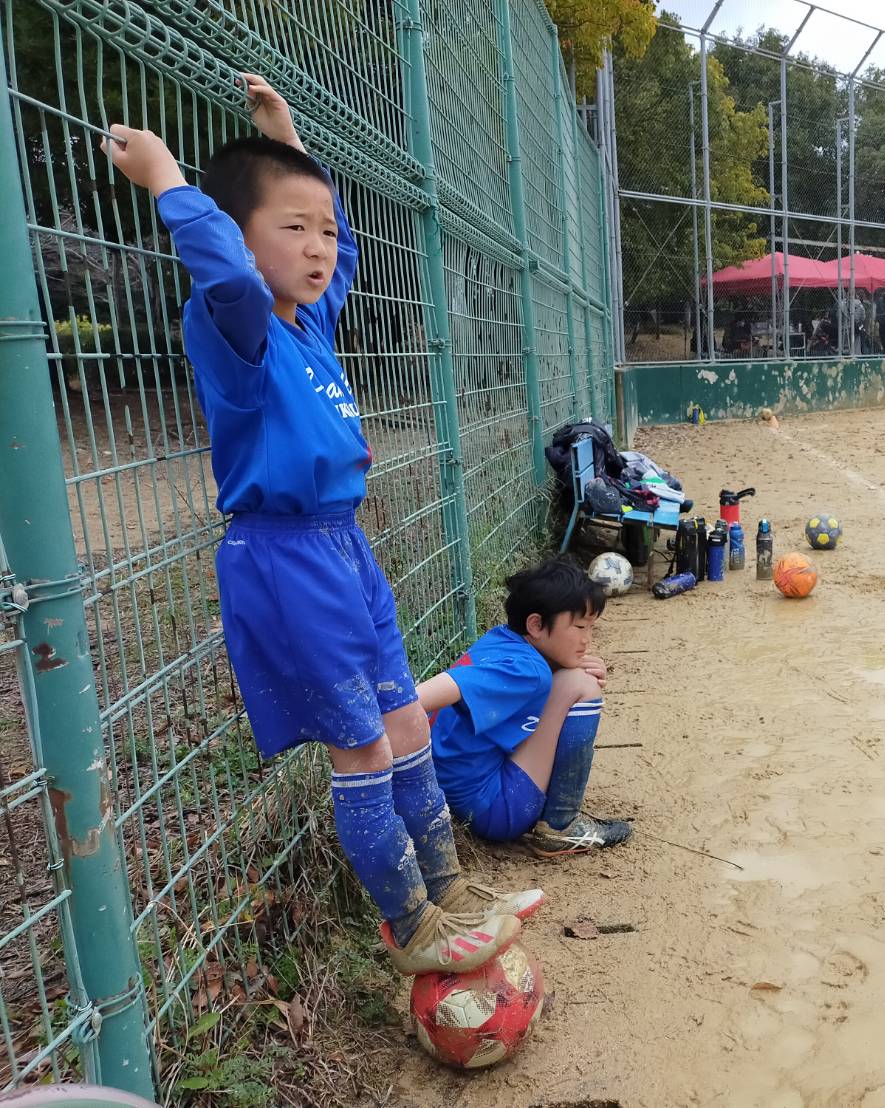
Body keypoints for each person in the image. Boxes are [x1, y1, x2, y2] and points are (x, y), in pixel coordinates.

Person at [102, 77, 535, 974]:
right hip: (285, 557)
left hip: (344, 546)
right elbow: (224, 265)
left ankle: (448, 893)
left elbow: (327, 261)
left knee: (408, 724)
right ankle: (410, 927)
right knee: (365, 744)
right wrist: (167, 179)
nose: (318, 248)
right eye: (291, 229)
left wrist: (290, 140)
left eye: (327, 229)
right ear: (237, 232)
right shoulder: (240, 330)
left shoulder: (308, 325)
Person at [419, 558, 633, 857]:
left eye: (591, 627)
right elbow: (443, 689)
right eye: (580, 626)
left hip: (456, 792)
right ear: (535, 624)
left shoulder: (500, 640)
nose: (587, 639)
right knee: (582, 685)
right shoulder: (529, 668)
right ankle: (560, 826)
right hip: (496, 809)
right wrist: (391, 709)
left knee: (571, 678)